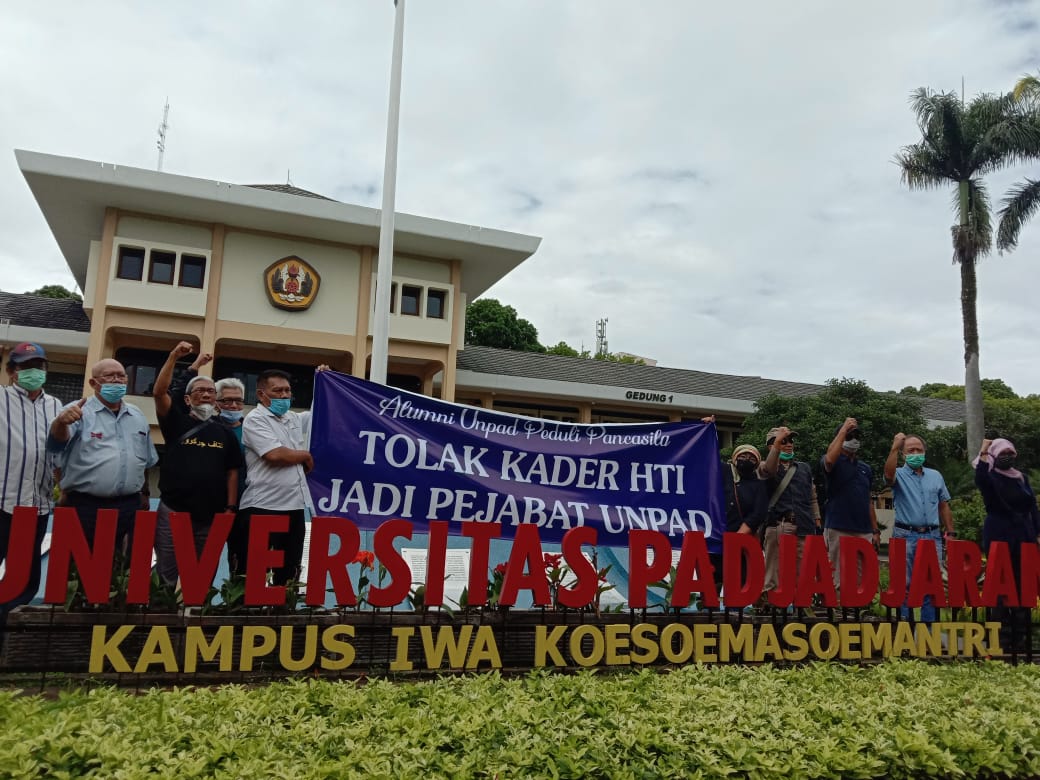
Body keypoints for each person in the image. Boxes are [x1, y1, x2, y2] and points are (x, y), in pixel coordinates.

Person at [152, 343, 243, 590]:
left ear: (216, 400)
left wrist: (231, 508)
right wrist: (174, 357)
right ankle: (162, 619)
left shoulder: (225, 432)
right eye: (200, 390)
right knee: (166, 576)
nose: (205, 394)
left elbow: (233, 471)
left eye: (211, 391)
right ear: (187, 398)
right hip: (174, 512)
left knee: (202, 579)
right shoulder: (175, 422)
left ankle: (196, 622)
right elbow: (160, 393)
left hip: (213, 517)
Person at [47, 358, 158, 557]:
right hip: (86, 506)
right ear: (93, 383)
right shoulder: (76, 411)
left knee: (121, 570)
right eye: (109, 376)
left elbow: (146, 460)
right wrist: (60, 423)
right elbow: (55, 445)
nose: (116, 380)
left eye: (121, 375)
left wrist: (146, 493)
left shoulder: (137, 415)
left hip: (129, 506)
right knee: (77, 568)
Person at [234, 368, 323, 585]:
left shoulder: (291, 418)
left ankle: (283, 613)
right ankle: (245, 617)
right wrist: (305, 456)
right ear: (261, 394)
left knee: (289, 572)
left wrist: (325, 382)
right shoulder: (255, 419)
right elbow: (274, 454)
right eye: (277, 391)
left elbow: (321, 415)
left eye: (287, 391)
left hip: (293, 507)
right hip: (263, 506)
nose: (284, 396)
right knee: (252, 574)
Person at [0, 342, 62, 616]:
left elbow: (56, 451)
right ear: (12, 371)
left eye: (39, 366)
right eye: (26, 366)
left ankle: (8, 637)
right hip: (2, 500)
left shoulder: (55, 405)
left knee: (22, 580)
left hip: (36, 504)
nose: (33, 371)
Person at [974, 437, 1040, 651]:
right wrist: (984, 450)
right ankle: (999, 639)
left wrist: (1037, 533)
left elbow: (1032, 508)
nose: (1007, 456)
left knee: (1022, 587)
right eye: (1001, 453)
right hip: (999, 534)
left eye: (1010, 452)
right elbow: (981, 478)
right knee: (1000, 588)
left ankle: (1020, 639)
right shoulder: (991, 477)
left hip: (1023, 536)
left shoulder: (1022, 478)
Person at [884, 432, 953, 624]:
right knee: (903, 583)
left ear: (925, 452)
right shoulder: (899, 474)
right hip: (905, 534)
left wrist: (951, 531)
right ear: (904, 454)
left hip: (932, 535)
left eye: (919, 450)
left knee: (931, 584)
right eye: (910, 450)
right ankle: (905, 630)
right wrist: (894, 448)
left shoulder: (935, 476)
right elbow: (888, 475)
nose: (916, 453)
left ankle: (928, 632)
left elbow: (944, 504)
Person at [760, 426, 821, 598]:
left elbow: (812, 496)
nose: (788, 445)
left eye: (790, 441)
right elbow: (770, 469)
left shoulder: (804, 468)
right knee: (773, 570)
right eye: (782, 441)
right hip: (779, 524)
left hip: (803, 524)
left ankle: (800, 606)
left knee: (803, 571)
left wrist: (817, 520)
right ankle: (771, 605)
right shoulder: (765, 466)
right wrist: (778, 445)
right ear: (770, 446)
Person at [822, 417, 880, 592]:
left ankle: (859, 612)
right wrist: (844, 429)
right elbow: (829, 460)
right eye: (849, 436)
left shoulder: (865, 468)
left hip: (863, 530)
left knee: (863, 581)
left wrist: (875, 530)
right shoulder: (833, 461)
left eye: (856, 436)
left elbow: (868, 500)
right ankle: (839, 613)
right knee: (838, 578)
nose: (853, 440)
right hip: (839, 527)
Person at [712, 444, 768, 609]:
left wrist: (738, 536)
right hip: (714, 540)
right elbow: (706, 455)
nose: (746, 460)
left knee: (736, 587)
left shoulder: (758, 485)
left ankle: (735, 625)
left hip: (740, 544)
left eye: (752, 458)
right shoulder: (722, 472)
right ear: (734, 458)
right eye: (743, 456)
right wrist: (707, 428)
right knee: (710, 584)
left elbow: (758, 513)